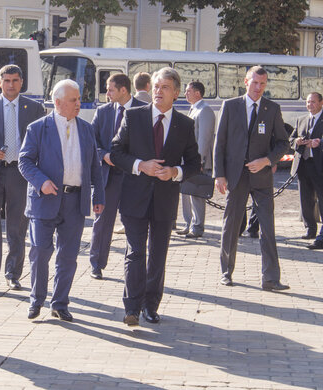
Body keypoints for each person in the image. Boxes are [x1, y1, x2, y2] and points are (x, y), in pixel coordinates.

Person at [110, 67, 201, 326]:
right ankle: (132, 307)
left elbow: (195, 163)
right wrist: (141, 165)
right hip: (134, 198)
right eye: (156, 86)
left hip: (164, 199)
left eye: (165, 88)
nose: (159, 91)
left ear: (175, 93)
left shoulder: (185, 124)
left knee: (158, 254)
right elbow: (116, 152)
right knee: (135, 252)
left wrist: (175, 171)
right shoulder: (134, 115)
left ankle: (151, 306)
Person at [19, 79, 104, 322]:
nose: (79, 103)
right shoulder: (37, 128)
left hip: (75, 201)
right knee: (40, 252)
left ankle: (60, 302)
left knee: (68, 256)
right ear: (58, 103)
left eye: (79, 99)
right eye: (73, 100)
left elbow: (94, 166)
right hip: (45, 199)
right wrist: (41, 181)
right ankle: (36, 299)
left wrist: (98, 196)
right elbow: (25, 161)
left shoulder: (86, 129)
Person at [213, 66, 290, 291]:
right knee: (231, 225)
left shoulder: (272, 109)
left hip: (262, 177)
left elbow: (283, 143)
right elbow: (220, 143)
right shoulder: (230, 106)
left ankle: (271, 278)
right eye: (255, 83)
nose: (259, 88)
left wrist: (267, 160)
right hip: (236, 176)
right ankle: (226, 272)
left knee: (267, 227)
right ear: (246, 82)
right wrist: (219, 174)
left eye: (263, 84)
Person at [0, 64, 44, 290]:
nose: (11, 85)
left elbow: (41, 141)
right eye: (6, 80)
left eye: (15, 80)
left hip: (20, 174)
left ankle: (13, 273)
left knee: (17, 226)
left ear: (21, 82)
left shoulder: (34, 108)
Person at [89, 73, 146, 280]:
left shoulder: (143, 110)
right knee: (103, 221)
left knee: (134, 224)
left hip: (134, 177)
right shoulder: (103, 112)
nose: (107, 93)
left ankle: (134, 267)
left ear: (124, 90)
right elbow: (91, 141)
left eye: (110, 89)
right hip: (109, 176)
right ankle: (96, 263)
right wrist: (103, 155)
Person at [177, 81, 216, 238]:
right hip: (188, 160)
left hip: (197, 161)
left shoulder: (205, 110)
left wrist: (199, 161)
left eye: (188, 91)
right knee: (187, 192)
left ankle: (197, 226)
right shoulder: (194, 109)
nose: (185, 94)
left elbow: (204, 138)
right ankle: (189, 223)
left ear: (198, 93)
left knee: (197, 194)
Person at [289, 92, 323, 249]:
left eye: (313, 102)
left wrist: (319, 143)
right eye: (308, 102)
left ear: (321, 103)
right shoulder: (301, 119)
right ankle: (310, 229)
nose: (310, 105)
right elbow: (290, 139)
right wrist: (296, 141)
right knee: (305, 199)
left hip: (319, 166)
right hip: (303, 165)